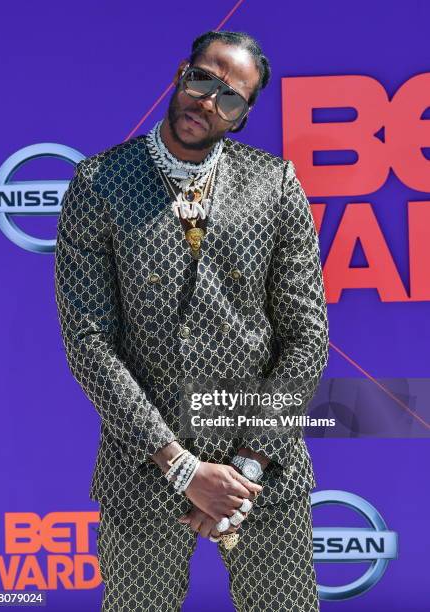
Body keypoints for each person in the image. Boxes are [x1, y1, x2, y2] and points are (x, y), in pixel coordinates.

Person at [54, 29, 329, 612]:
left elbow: (305, 340)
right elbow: (90, 343)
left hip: (262, 476)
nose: (208, 101)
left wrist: (244, 467)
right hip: (143, 469)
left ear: (244, 115)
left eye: (230, 97)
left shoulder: (274, 184)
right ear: (182, 73)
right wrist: (181, 467)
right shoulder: (100, 183)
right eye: (203, 79)